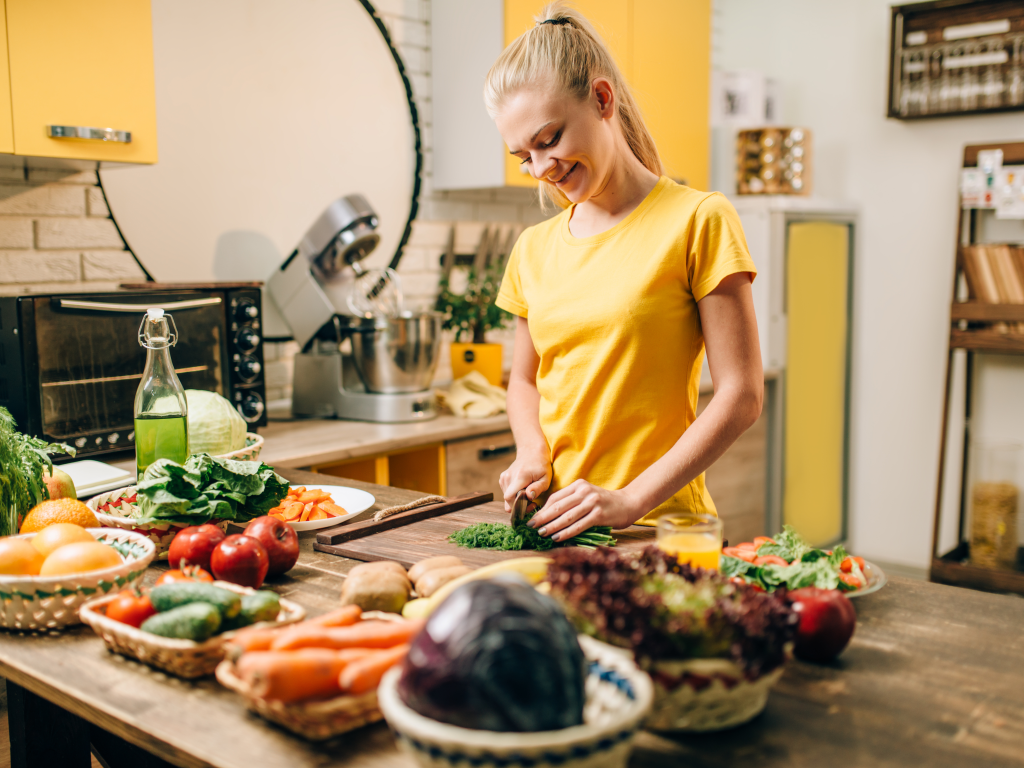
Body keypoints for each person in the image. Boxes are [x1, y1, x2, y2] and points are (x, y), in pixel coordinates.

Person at [486, 3, 762, 543]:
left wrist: (629, 500)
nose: (541, 170)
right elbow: (522, 379)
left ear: (602, 99)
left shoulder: (698, 219)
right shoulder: (533, 247)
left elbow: (742, 395)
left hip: (657, 529)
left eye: (549, 140)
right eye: (523, 156)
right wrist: (530, 451)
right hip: (556, 525)